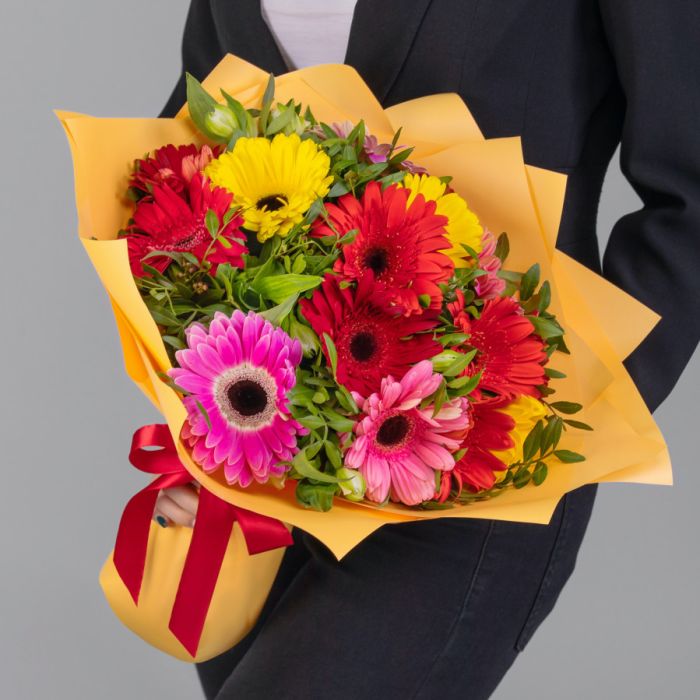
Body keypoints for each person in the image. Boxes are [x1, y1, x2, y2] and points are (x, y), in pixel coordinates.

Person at [154, 1, 700, 698]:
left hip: (476, 455)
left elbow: (690, 189)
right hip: (272, 449)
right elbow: (203, 116)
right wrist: (197, 394)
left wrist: (582, 398)